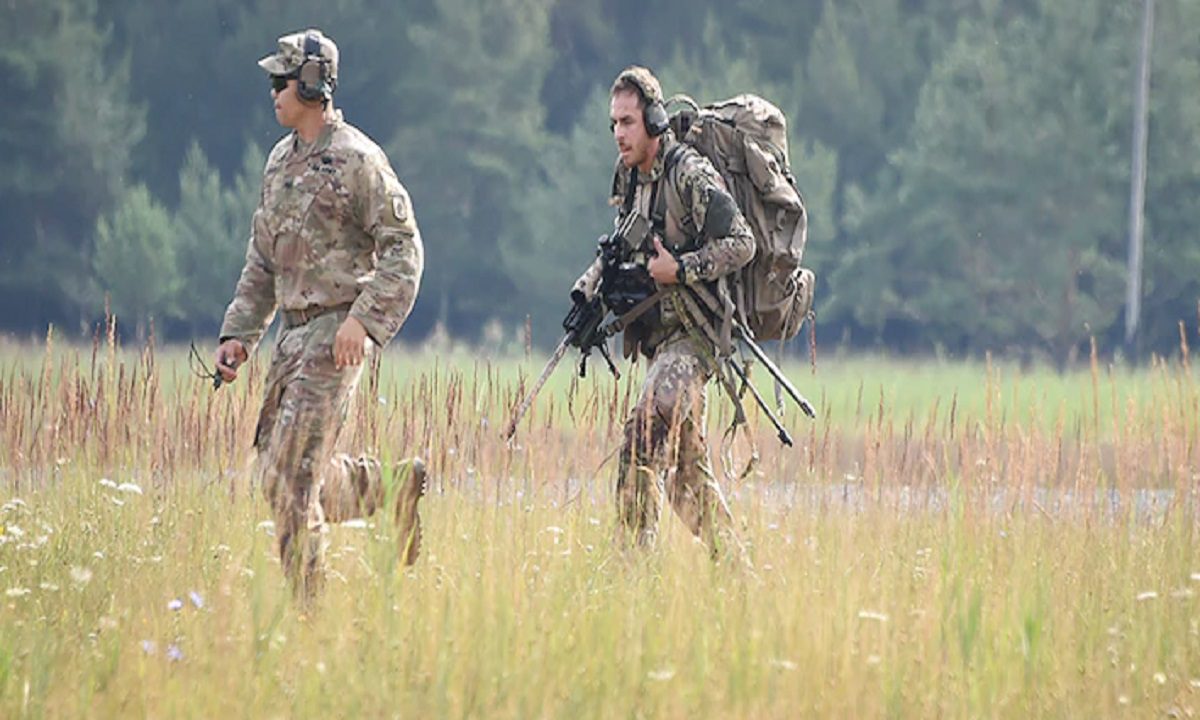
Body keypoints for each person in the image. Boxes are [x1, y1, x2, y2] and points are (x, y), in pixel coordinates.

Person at [213, 28, 426, 601]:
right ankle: (391, 486)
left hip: (335, 336)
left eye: (282, 79)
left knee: (292, 482)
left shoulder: (359, 159)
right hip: (290, 340)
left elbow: (406, 251)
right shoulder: (280, 160)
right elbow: (263, 257)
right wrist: (240, 334)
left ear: (312, 82)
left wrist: (364, 322)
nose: (274, 90)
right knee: (273, 472)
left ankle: (309, 616)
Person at [573, 66, 754, 560]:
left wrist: (683, 268)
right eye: (613, 123)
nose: (618, 134)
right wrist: (592, 288)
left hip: (695, 333)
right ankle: (737, 570)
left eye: (627, 122)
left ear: (654, 120)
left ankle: (631, 566)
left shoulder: (688, 173)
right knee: (683, 474)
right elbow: (621, 241)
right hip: (658, 339)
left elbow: (743, 244)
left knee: (641, 436)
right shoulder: (629, 178)